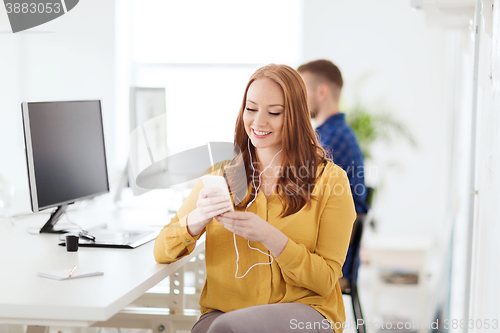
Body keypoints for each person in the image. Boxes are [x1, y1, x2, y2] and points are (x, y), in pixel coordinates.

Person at [154, 64, 356, 333]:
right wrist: (195, 219)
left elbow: (325, 280)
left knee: (225, 329)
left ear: (296, 117)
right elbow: (160, 250)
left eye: (274, 112)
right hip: (226, 312)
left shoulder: (330, 181)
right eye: (251, 109)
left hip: (306, 311)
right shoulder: (222, 176)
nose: (258, 122)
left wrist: (270, 236)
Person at [298, 59, 368, 286]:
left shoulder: (330, 142)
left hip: (332, 260)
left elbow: (304, 196)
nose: (297, 99)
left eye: (302, 90)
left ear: (322, 91)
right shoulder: (333, 134)